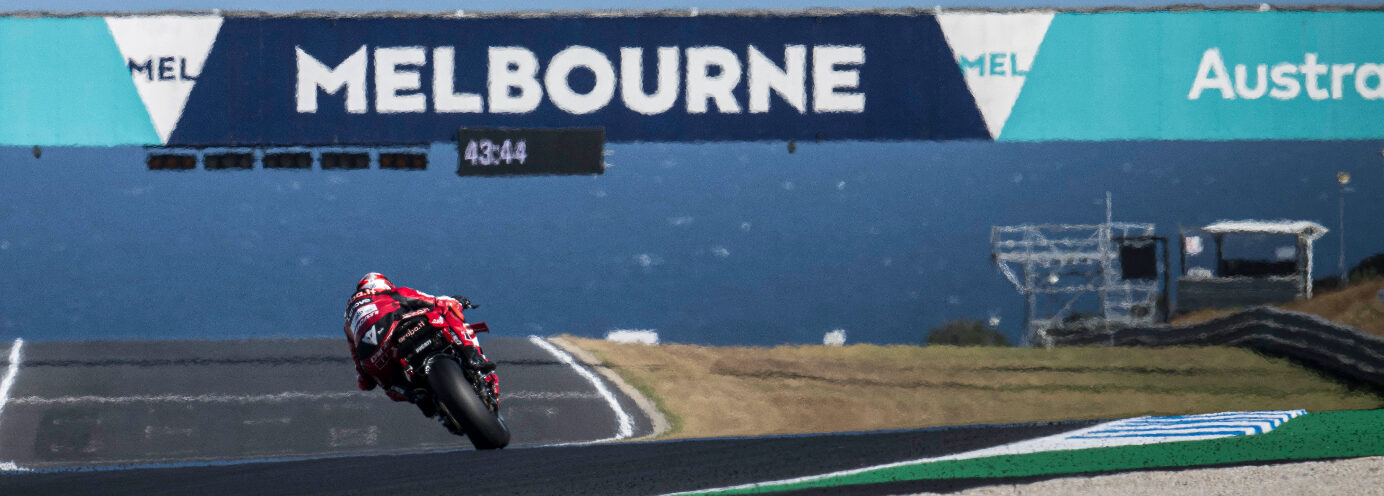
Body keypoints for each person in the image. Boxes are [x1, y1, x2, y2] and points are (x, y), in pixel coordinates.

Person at [343, 272, 496, 417]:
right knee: (449, 306)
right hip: (396, 327)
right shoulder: (391, 293)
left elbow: (361, 371)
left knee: (391, 387)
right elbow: (438, 302)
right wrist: (459, 302)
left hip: (371, 354)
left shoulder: (349, 323)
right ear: (383, 284)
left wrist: (366, 380)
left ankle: (415, 395)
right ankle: (472, 356)